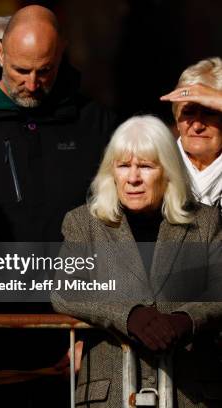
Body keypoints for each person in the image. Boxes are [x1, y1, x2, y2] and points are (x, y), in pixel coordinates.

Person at [0, 5, 117, 406]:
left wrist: (96, 335)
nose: (32, 83)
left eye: (44, 71)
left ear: (62, 53)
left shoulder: (97, 125)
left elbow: (119, 233)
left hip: (72, 347)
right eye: (20, 71)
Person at [51, 115, 222, 406]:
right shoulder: (84, 223)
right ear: (111, 172)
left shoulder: (205, 221)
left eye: (145, 166)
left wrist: (186, 320)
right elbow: (66, 290)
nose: (133, 178)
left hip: (188, 391)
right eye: (123, 166)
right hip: (111, 393)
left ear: (167, 171)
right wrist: (128, 315)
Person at [160, 57, 222, 211]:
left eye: (210, 112)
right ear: (176, 119)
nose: (197, 125)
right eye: (188, 112)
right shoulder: (152, 168)